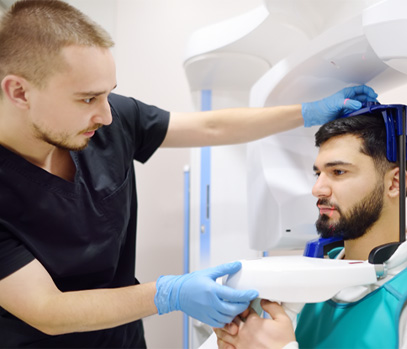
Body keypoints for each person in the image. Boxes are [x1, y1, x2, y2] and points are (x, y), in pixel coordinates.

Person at [0, 1, 379, 347]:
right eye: (87, 99)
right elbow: (46, 310)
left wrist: (307, 112)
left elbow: (212, 127)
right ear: (18, 92)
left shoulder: (106, 122)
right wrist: (169, 293)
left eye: (107, 94)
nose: (107, 115)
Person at [215, 114, 407, 348]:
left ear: (394, 183)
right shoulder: (307, 281)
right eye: (318, 174)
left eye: (338, 172)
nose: (317, 189)